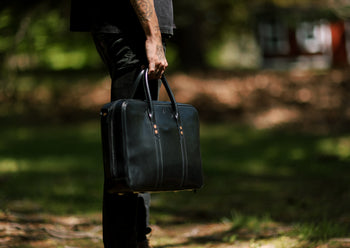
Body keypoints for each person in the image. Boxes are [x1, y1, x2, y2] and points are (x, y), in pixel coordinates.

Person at [70, 0, 175, 247]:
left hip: (126, 27)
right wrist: (153, 36)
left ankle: (137, 239)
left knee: (138, 148)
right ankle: (127, 241)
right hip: (132, 31)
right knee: (130, 152)